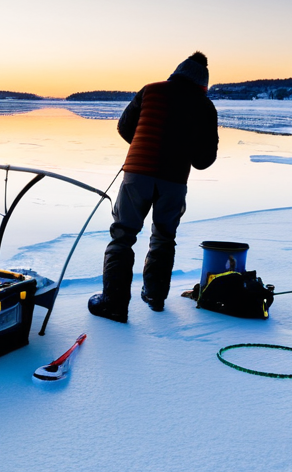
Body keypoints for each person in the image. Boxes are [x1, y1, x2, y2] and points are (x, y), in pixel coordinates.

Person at [88, 51, 219, 323]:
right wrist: (181, 148)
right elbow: (204, 160)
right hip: (174, 180)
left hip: (138, 172)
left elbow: (125, 127)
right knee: (164, 236)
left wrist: (145, 146)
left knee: (122, 235)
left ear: (177, 71)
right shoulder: (205, 105)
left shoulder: (151, 90)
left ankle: (114, 304)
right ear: (203, 82)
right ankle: (155, 297)